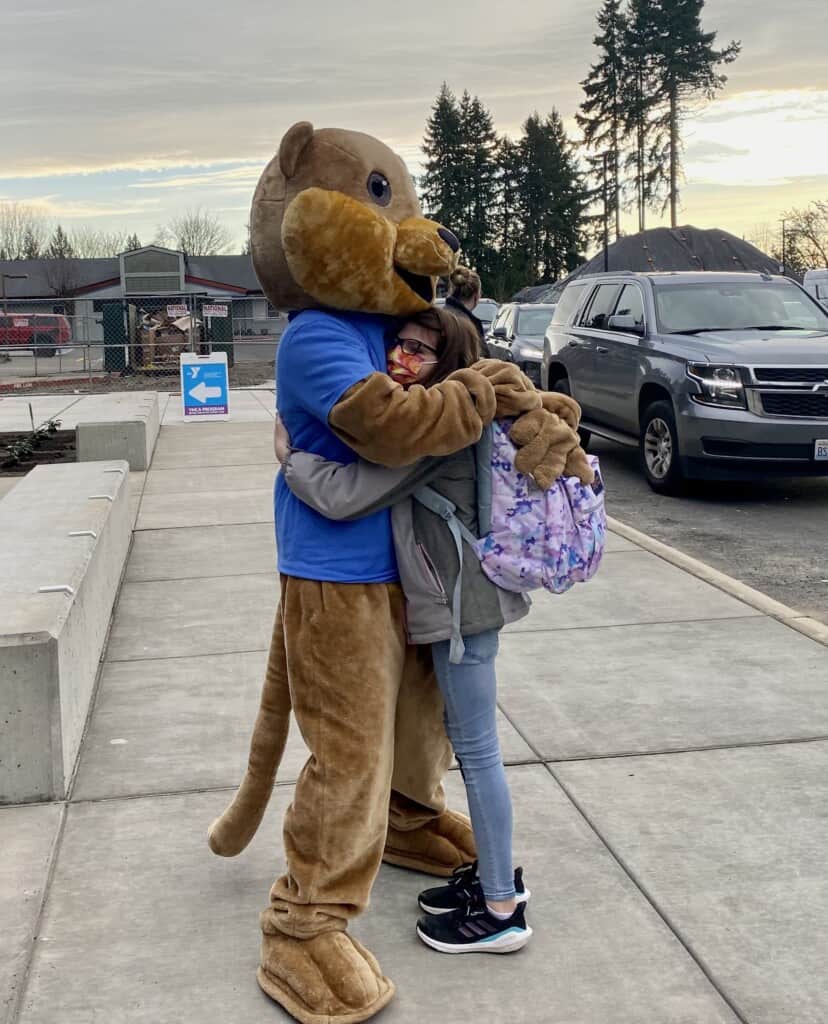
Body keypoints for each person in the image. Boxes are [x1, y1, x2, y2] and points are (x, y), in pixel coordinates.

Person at [274, 305, 535, 954]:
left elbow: (347, 494)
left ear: (450, 362)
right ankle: (495, 881)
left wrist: (289, 459)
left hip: (458, 609)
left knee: (478, 755)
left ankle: (501, 907)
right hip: (457, 603)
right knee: (473, 750)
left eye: (422, 351)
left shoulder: (439, 427)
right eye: (402, 344)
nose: (404, 359)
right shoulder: (438, 413)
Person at [445, 265, 484, 342]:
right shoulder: (470, 326)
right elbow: (480, 353)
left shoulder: (438, 317)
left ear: (452, 291)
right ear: (476, 296)